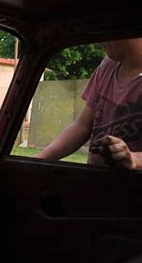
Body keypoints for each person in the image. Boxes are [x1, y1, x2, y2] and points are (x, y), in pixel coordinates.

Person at [35, 38, 142, 170]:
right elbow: (83, 126)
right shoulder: (107, 66)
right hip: (93, 182)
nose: (98, 39)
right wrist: (35, 161)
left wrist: (135, 159)